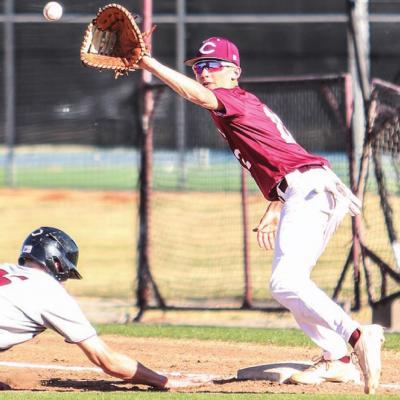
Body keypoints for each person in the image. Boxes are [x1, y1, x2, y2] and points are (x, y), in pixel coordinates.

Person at [137, 37, 385, 394]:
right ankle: (337, 359)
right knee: (292, 283)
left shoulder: (232, 100)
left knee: (285, 283)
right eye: (198, 67)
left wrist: (148, 63)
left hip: (310, 191)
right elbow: (287, 156)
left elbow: (195, 96)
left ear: (234, 72)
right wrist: (275, 204)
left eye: (211, 66)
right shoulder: (245, 103)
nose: (203, 73)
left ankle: (359, 335)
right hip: (307, 188)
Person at [0, 226, 194, 390]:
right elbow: (109, 362)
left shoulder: (6, 269)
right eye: (66, 274)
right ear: (57, 263)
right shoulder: (49, 291)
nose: (65, 281)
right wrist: (165, 381)